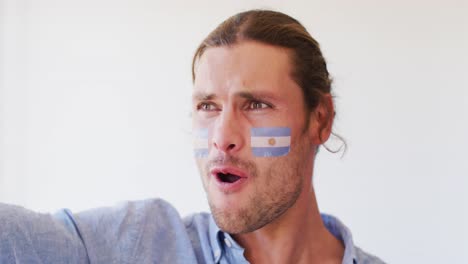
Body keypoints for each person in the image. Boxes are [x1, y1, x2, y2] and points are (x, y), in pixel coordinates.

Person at [0, 9, 384, 264]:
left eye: (255, 105)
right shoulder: (139, 244)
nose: (223, 137)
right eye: (208, 106)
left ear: (320, 119)